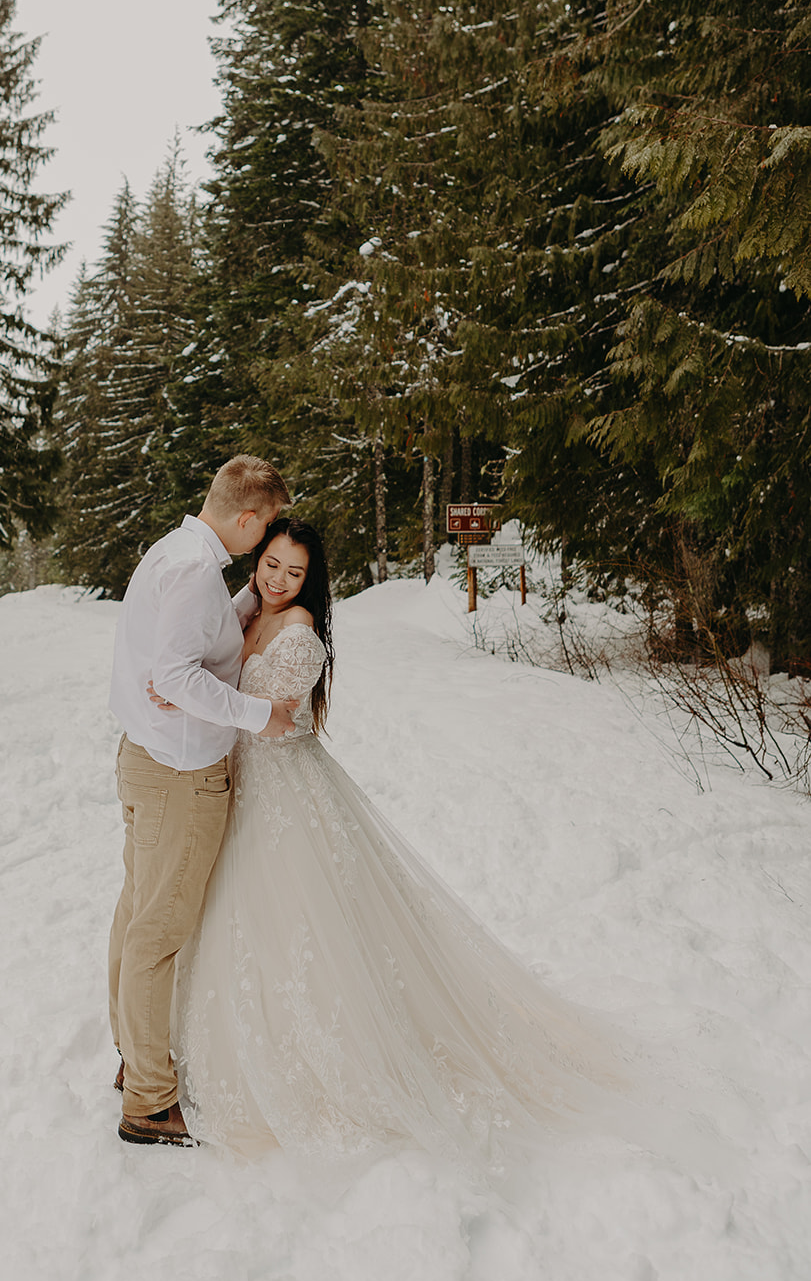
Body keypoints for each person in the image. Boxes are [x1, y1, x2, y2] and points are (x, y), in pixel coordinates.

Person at [170, 516, 639, 1163]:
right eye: (271, 564)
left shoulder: (300, 635)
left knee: (299, 927)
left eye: (293, 572)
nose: (277, 579)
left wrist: (195, 699)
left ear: (312, 582)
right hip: (247, 787)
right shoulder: (250, 609)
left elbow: (273, 724)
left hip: (282, 794)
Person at [108, 456, 299, 1147]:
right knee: (157, 933)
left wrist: (250, 602)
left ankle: (135, 1060)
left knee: (137, 914)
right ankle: (150, 1103)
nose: (267, 535)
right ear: (248, 518)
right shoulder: (193, 569)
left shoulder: (180, 550)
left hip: (148, 758)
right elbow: (177, 672)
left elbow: (190, 645)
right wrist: (257, 714)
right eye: (267, 524)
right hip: (180, 773)